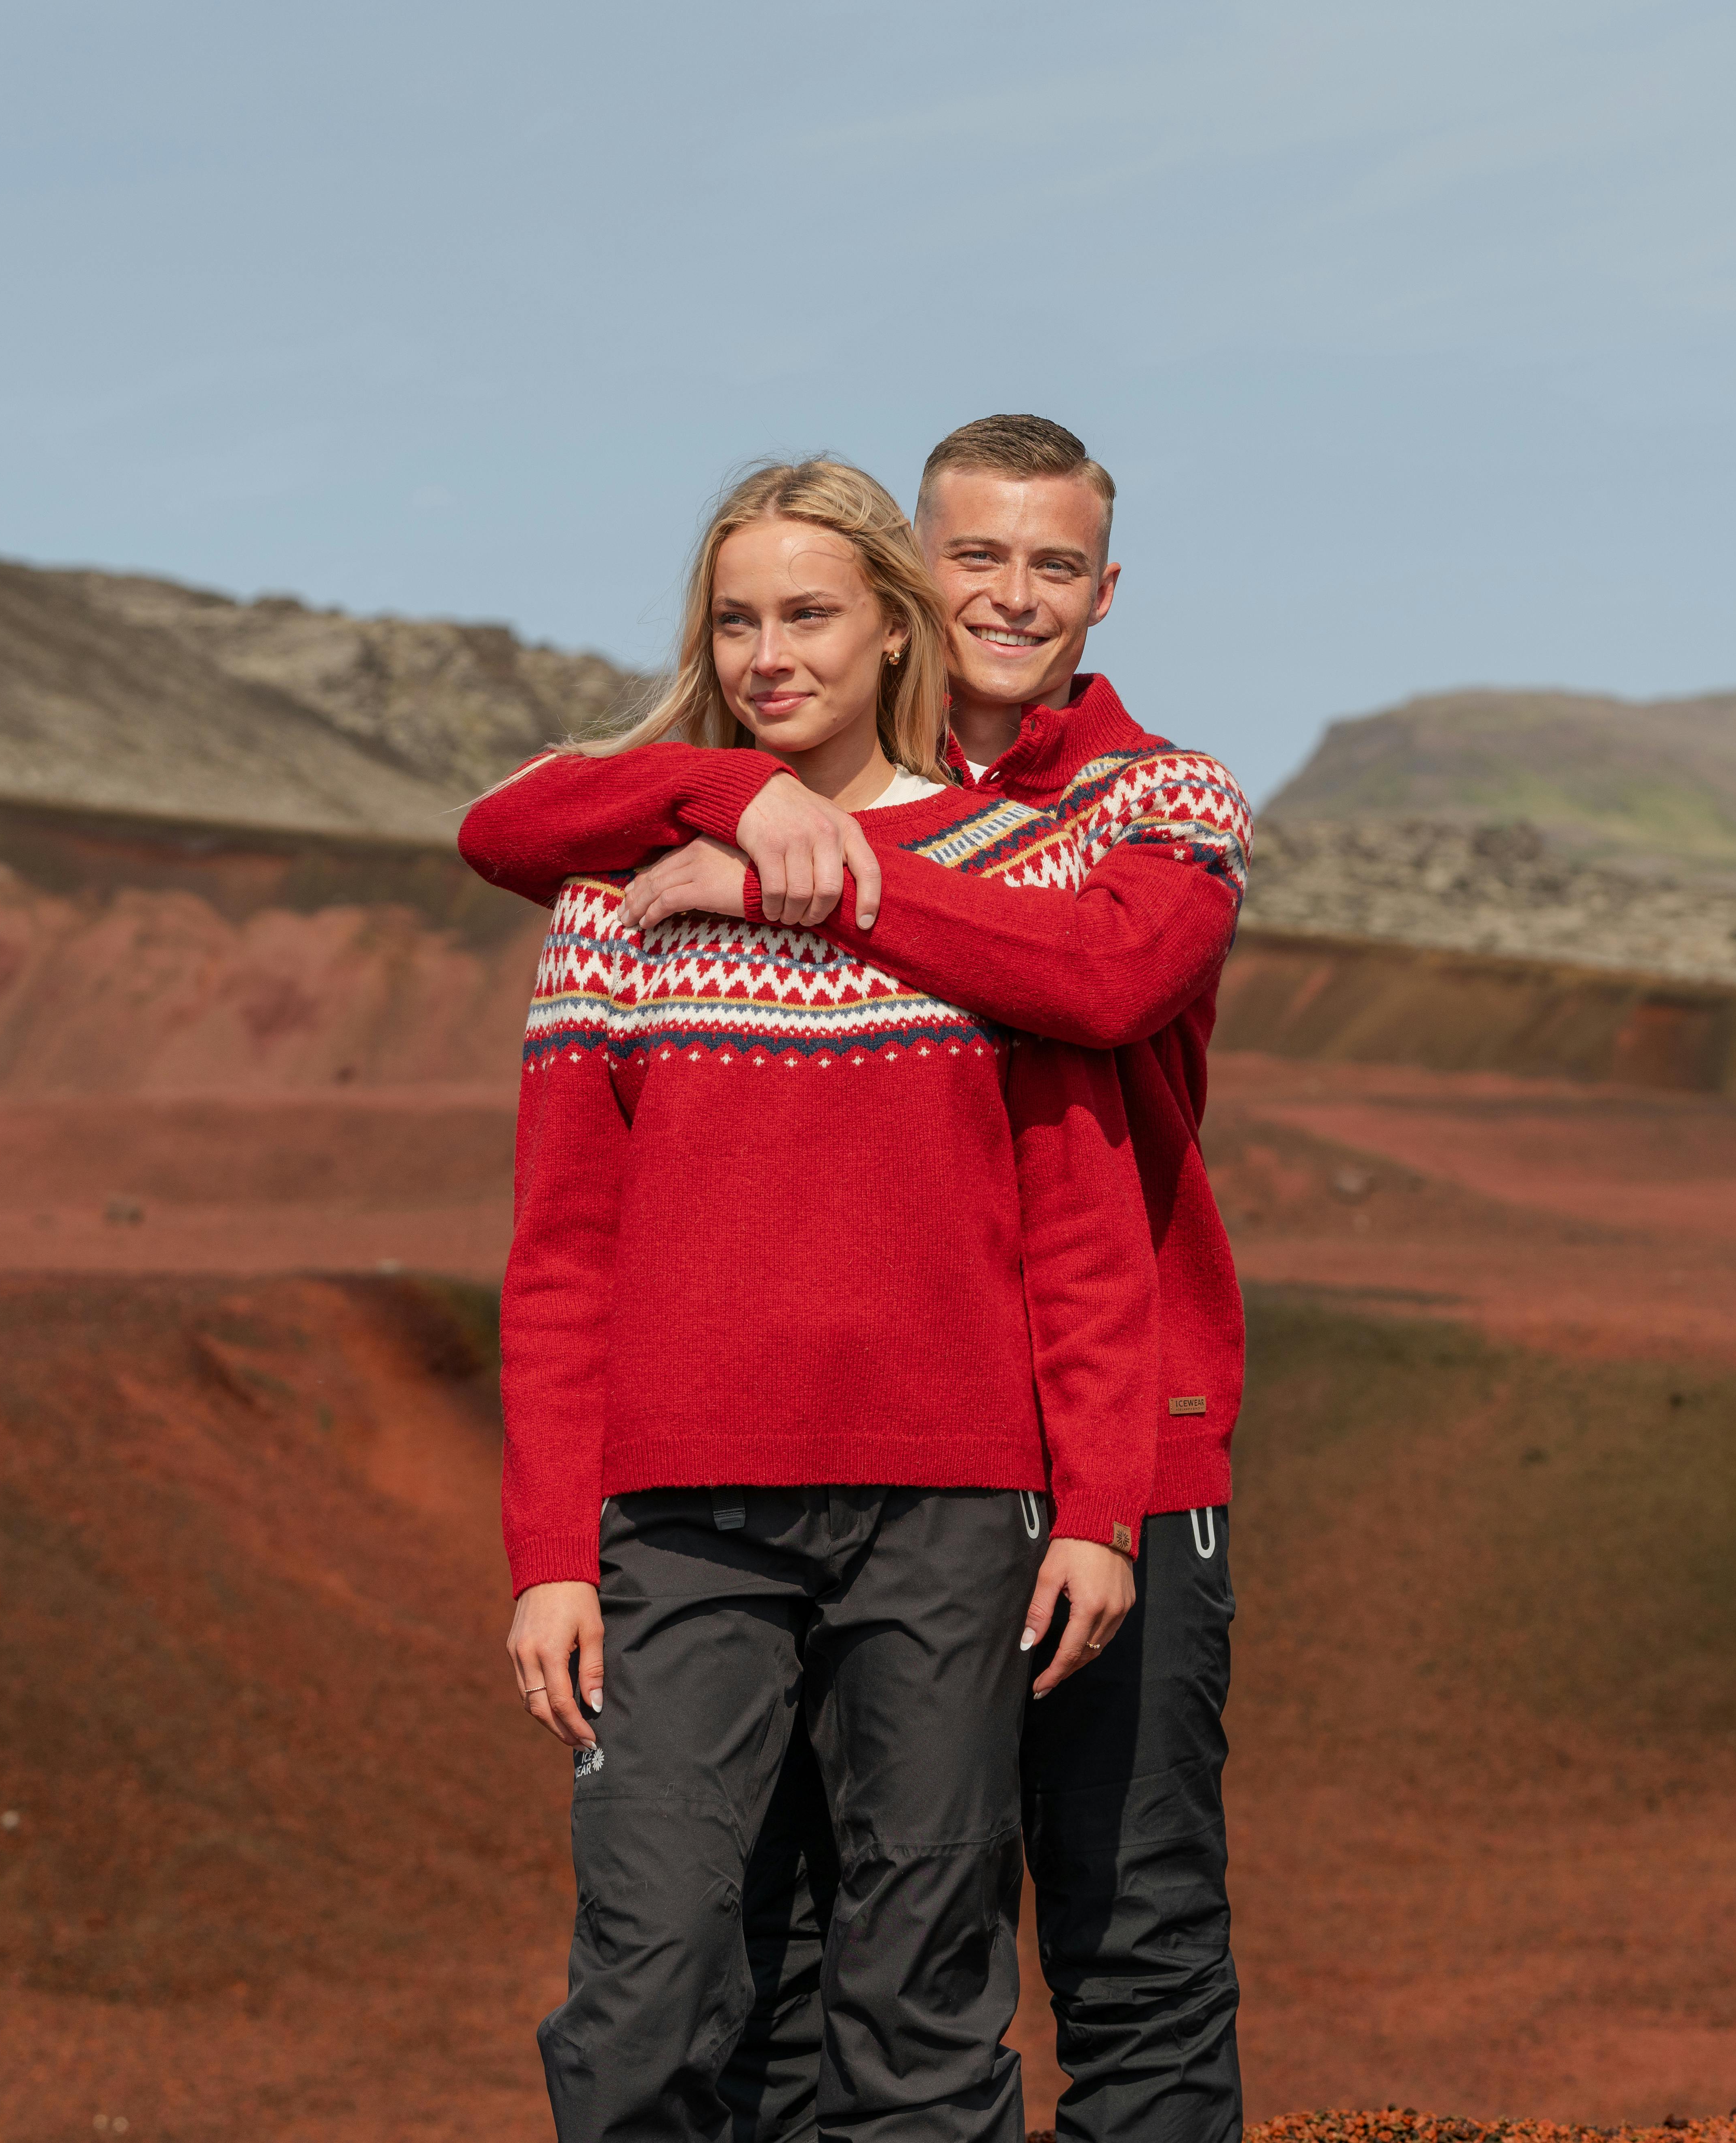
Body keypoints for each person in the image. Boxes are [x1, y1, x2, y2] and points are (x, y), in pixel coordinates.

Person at [461, 416, 1253, 2143]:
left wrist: (822, 884)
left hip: (1092, 1460)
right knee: (754, 1951)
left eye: (1054, 566)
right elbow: (510, 824)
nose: (1011, 595)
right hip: (741, 1502)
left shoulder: (1140, 804)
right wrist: (735, 796)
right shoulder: (685, 832)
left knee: (1118, 1937)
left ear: (1103, 593)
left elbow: (1102, 991)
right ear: (914, 575)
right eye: (976, 554)